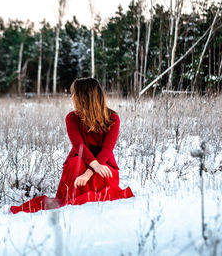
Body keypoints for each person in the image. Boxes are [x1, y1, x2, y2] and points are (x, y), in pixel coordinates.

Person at [10, 77, 134, 214]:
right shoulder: (72, 118)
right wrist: (92, 167)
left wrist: (90, 172)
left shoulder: (112, 118)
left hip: (103, 161)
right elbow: (79, 146)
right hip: (80, 158)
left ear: (84, 97)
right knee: (76, 163)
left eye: (74, 94)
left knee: (104, 171)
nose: (72, 98)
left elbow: (107, 149)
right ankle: (75, 196)